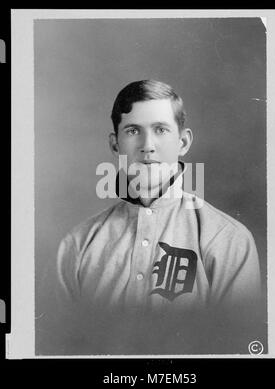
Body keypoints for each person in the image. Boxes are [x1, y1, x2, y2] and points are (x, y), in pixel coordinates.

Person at [55, 80, 263, 355]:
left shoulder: (227, 240)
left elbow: (236, 347)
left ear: (183, 141)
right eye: (132, 131)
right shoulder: (78, 246)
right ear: (115, 144)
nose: (147, 146)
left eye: (161, 130)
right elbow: (63, 348)